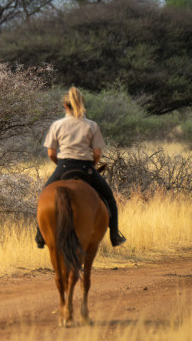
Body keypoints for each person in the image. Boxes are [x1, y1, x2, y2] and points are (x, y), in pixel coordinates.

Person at [37, 86, 126, 248]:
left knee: (44, 195)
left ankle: (40, 236)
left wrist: (61, 166)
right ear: (82, 104)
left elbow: (51, 153)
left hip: (63, 167)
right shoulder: (92, 125)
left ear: (65, 106)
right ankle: (114, 236)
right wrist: (92, 166)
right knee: (109, 197)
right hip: (86, 168)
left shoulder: (57, 125)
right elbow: (97, 153)